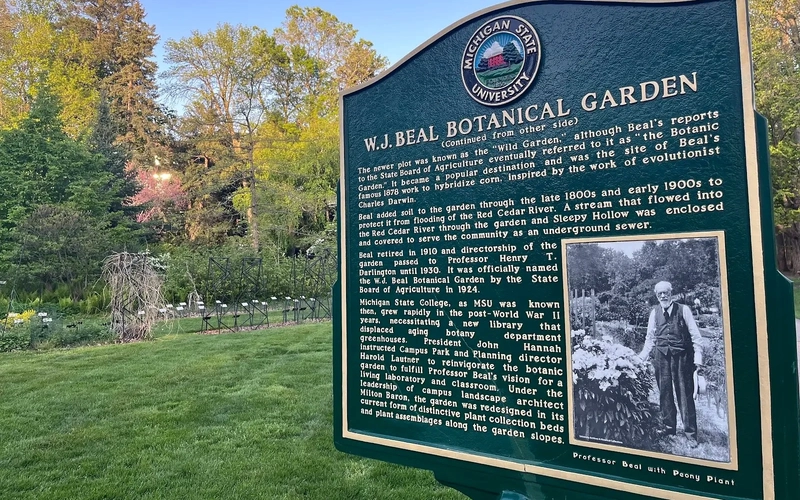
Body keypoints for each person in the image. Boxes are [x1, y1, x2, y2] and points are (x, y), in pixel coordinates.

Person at [639, 281, 703, 448]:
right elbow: (650, 338)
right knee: (665, 394)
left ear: (671, 293)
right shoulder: (654, 312)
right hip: (661, 357)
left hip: (682, 357)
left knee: (684, 394)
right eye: (659, 293)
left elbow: (696, 336)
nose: (663, 296)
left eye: (666, 292)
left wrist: (698, 359)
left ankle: (690, 433)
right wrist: (641, 358)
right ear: (656, 295)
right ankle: (669, 427)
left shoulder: (684, 310)